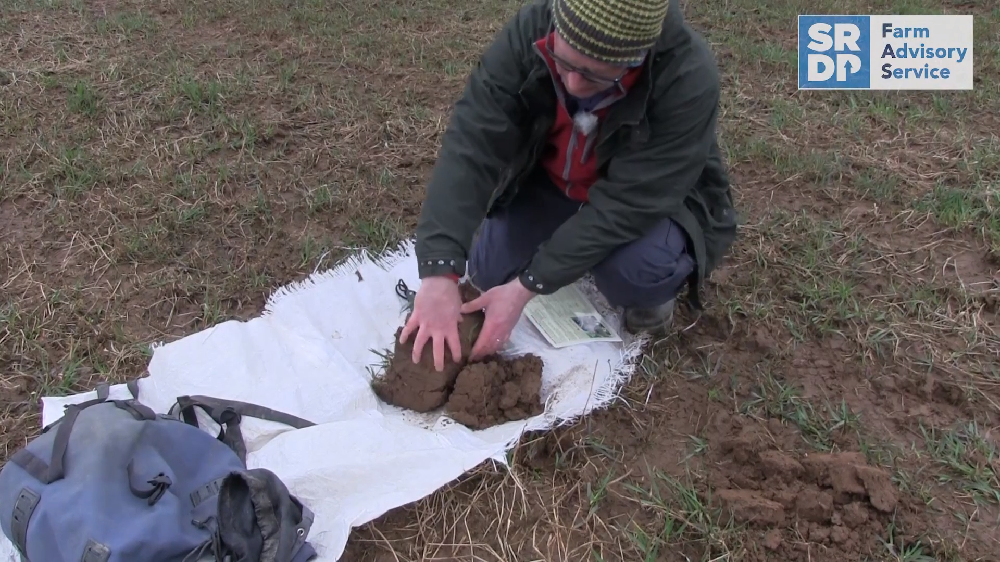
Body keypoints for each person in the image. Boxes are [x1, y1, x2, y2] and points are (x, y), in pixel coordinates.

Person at [401, 0, 738, 371]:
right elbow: (473, 144)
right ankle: (563, 243)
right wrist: (438, 269)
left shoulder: (686, 76)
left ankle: (651, 289)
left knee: (636, 272)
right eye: (563, 62)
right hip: (555, 182)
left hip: (646, 200)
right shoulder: (532, 29)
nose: (573, 84)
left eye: (594, 77)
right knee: (489, 272)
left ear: (636, 59)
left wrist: (527, 285)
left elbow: (630, 203)